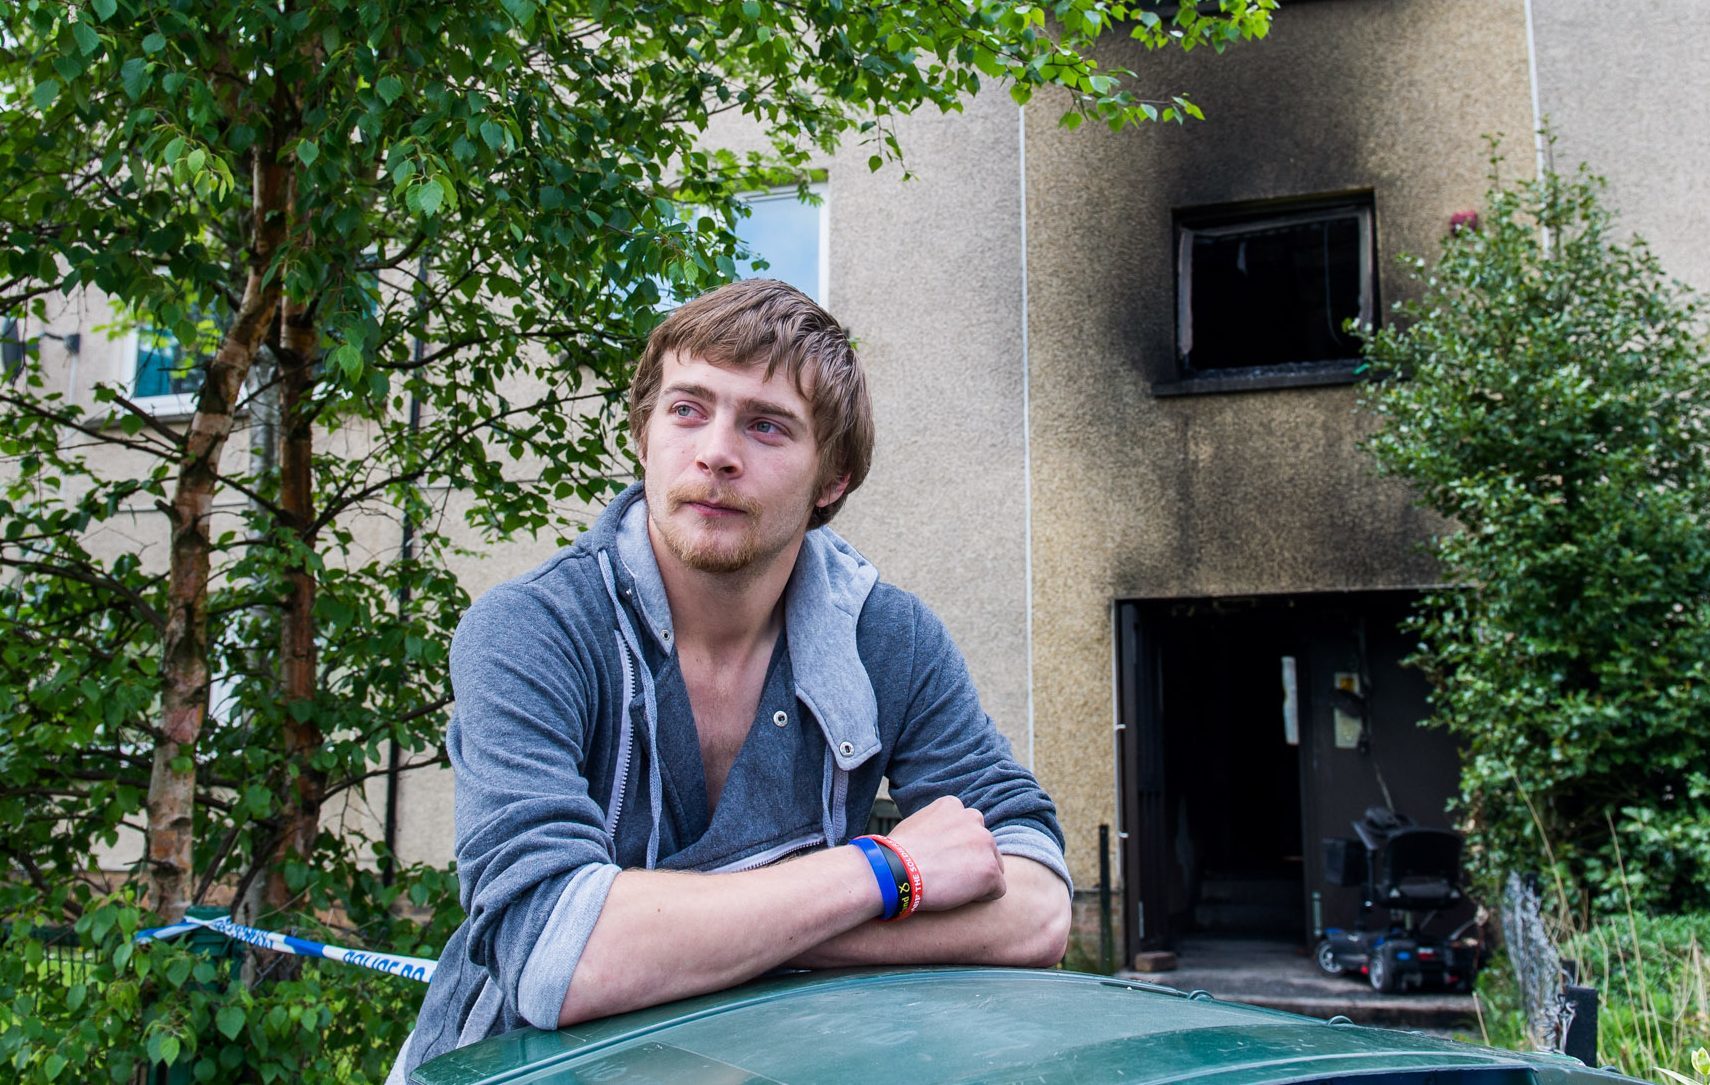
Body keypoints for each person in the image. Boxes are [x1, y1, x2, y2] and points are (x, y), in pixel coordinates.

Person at [389, 279, 1071, 1082]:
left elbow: (1037, 910)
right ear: (643, 437)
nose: (716, 450)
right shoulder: (533, 631)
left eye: (767, 425)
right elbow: (553, 958)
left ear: (833, 479)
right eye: (686, 410)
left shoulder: (892, 639)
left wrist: (668, 932)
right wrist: (885, 872)